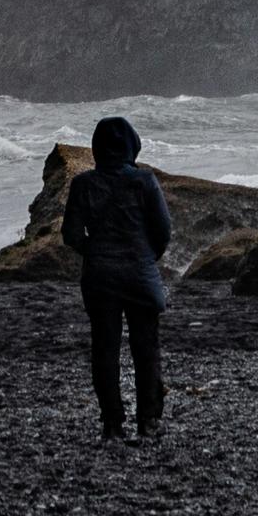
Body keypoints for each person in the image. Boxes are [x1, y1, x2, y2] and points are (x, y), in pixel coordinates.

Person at [61, 115, 172, 441]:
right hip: (140, 273)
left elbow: (70, 234)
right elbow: (163, 230)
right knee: (146, 348)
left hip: (100, 276)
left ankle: (112, 424)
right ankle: (148, 421)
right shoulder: (145, 181)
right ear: (131, 145)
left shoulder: (83, 184)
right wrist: (147, 256)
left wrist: (94, 251)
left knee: (105, 349)